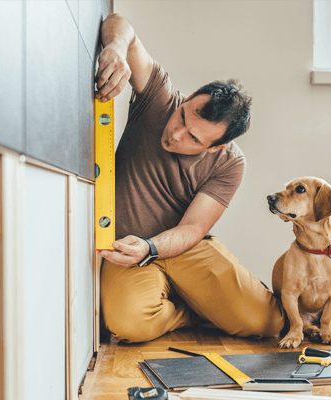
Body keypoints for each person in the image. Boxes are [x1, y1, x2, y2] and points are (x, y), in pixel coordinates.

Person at [94, 13, 284, 343]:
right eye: (183, 116)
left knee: (266, 322)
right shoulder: (159, 99)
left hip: (181, 246)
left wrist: (152, 247)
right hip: (125, 246)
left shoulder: (230, 163)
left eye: (194, 139)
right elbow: (120, 24)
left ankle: (200, 301)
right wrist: (115, 46)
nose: (176, 134)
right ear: (187, 100)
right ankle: (192, 310)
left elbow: (194, 228)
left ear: (217, 147)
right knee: (128, 325)